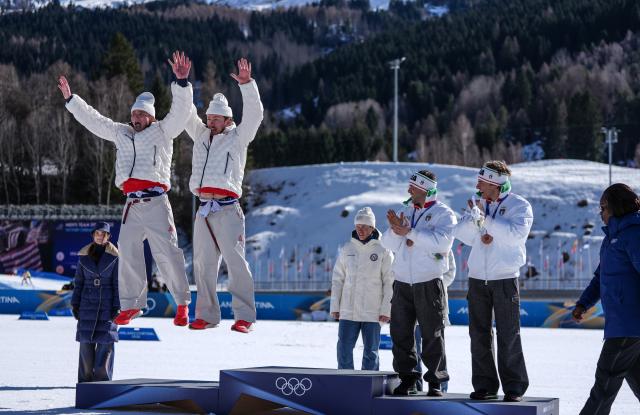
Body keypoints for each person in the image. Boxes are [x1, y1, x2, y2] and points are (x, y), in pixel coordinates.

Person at [58, 51, 194, 327]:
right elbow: (95, 121)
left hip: (156, 201)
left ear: (151, 117)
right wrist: (72, 101)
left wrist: (181, 84)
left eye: (142, 114)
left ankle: (181, 304)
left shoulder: (163, 131)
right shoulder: (122, 132)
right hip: (132, 204)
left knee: (166, 253)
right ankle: (132, 305)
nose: (136, 117)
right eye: (134, 113)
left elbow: (180, 114)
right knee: (129, 253)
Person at [184, 58, 263, 333]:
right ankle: (206, 315)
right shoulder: (201, 136)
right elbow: (185, 113)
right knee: (203, 265)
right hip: (204, 208)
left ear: (228, 119)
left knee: (235, 263)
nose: (210, 121)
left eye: (215, 118)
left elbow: (255, 116)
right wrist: (183, 83)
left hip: (228, 208)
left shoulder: (238, 137)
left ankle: (245, 317)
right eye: (208, 117)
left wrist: (247, 85)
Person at [453, 160, 532, 402]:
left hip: (505, 277)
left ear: (494, 184)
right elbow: (462, 236)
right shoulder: (479, 204)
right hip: (477, 277)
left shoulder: (520, 206)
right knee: (478, 333)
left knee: (508, 333)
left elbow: (515, 235)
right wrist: (473, 220)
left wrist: (486, 221)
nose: (477, 184)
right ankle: (485, 385)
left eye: (481, 181)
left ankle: (514, 387)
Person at [382, 170, 456, 396]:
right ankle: (408, 379)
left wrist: (410, 232)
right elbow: (388, 244)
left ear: (425, 189)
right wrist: (396, 231)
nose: (408, 191)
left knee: (432, 333)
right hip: (403, 281)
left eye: (412, 187)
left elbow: (442, 243)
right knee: (400, 333)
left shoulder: (444, 214)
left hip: (428, 281)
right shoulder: (406, 211)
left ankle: (435, 381)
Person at [573, 183, 640, 415]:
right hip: (623, 325)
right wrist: (583, 303)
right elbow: (601, 277)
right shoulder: (612, 238)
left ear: (615, 207)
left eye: (603, 207)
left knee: (604, 384)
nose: (600, 212)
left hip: (629, 325)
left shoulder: (634, 234)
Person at [330, 207, 393, 371]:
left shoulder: (383, 250)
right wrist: (335, 306)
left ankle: (369, 387)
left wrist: (387, 309)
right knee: (343, 350)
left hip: (373, 312)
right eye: (358, 226)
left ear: (372, 227)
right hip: (348, 311)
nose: (361, 230)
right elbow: (338, 280)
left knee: (371, 353)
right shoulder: (347, 249)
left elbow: (390, 282)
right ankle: (345, 384)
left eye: (365, 226)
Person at [71, 222, 119, 383]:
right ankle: (84, 381)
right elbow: (79, 282)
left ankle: (102, 381)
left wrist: (117, 307)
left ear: (108, 236)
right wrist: (75, 304)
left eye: (103, 234)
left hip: (107, 305)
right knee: (85, 343)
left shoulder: (115, 257)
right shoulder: (83, 256)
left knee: (106, 342)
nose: (100, 236)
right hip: (87, 304)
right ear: (93, 235)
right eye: (98, 233)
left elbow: (118, 283)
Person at [415, 251, 455, 392]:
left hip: (435, 301)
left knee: (437, 348)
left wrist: (434, 285)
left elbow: (451, 271)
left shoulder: (442, 246)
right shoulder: (411, 242)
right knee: (414, 351)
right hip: (414, 303)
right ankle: (416, 387)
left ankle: (440, 386)